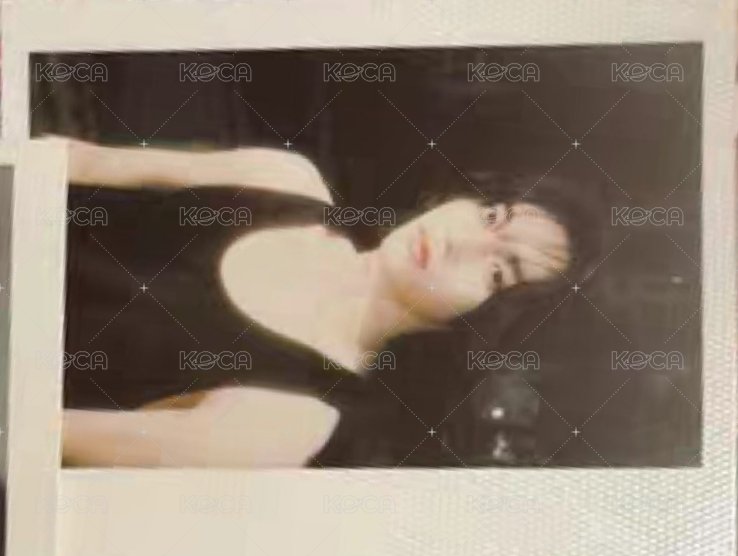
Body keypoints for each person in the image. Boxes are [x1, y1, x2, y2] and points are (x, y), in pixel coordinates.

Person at [45, 136, 599, 468]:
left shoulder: (291, 420)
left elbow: (31, 439)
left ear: (484, 324)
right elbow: (75, 162)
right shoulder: (281, 179)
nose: (463, 242)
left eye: (499, 271)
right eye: (492, 216)